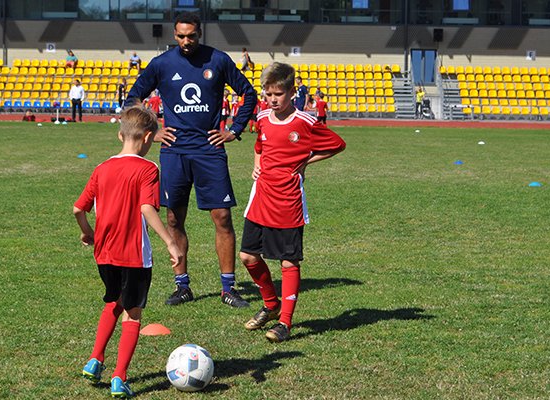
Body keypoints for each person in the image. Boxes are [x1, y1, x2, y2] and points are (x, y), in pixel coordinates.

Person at [125, 12, 257, 308]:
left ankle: (228, 288)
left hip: (209, 151)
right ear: (175, 35)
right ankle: (182, 285)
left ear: (200, 33)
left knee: (222, 217)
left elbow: (249, 94)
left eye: (192, 36)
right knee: (173, 217)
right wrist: (153, 130)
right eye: (181, 36)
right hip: (174, 152)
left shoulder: (218, 60)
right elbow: (133, 98)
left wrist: (234, 130)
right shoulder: (161, 64)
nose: (186, 41)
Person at [74, 106, 183, 398]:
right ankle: (119, 378)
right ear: (148, 138)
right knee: (132, 314)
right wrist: (170, 242)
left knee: (114, 300)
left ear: (120, 134)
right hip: (134, 255)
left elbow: (77, 208)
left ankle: (95, 359)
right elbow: (147, 208)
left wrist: (88, 233)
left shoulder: (101, 168)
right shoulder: (148, 169)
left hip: (104, 254)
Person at [240, 62, 346, 343]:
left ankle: (285, 322)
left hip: (288, 199)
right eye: (268, 94)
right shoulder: (262, 117)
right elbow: (259, 146)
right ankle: (271, 304)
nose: (273, 100)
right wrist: (256, 165)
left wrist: (305, 162)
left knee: (288, 261)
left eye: (278, 94)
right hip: (261, 195)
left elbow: (337, 144)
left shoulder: (305, 123)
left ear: (291, 92)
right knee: (248, 256)